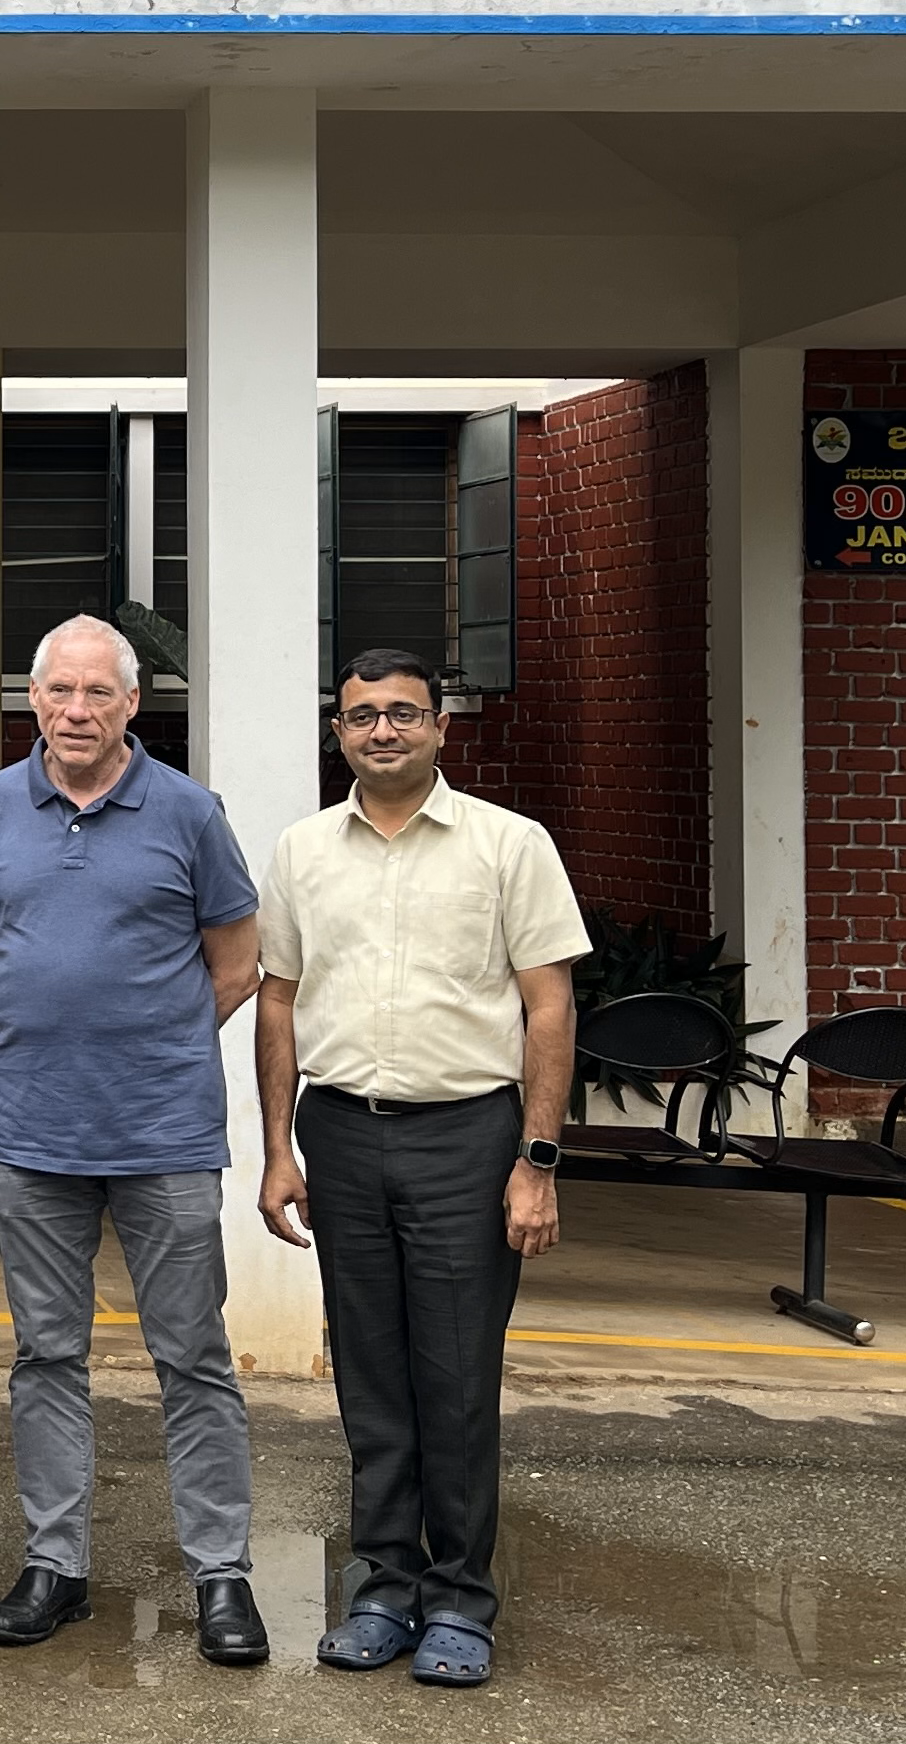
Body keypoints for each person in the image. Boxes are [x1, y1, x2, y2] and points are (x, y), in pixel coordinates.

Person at [0, 613, 269, 1667]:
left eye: (98, 693)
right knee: (46, 1355)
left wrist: (151, 1045)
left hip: (165, 1133)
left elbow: (237, 961)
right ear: (31, 699)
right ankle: (55, 1565)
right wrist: (51, 1037)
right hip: (32, 1132)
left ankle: (221, 1574)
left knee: (193, 1357)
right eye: (57, 693)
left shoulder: (186, 811)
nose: (75, 711)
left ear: (133, 703)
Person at [256, 647, 585, 1691]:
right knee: (370, 1376)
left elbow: (547, 1005)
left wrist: (535, 1162)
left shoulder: (507, 845)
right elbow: (276, 1000)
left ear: (441, 727)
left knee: (452, 1377)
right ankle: (384, 1588)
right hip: (343, 1134)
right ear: (338, 733)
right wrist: (277, 1149)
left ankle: (460, 1601)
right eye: (361, 717)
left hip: (466, 1140)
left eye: (402, 713)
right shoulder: (303, 852)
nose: (382, 731)